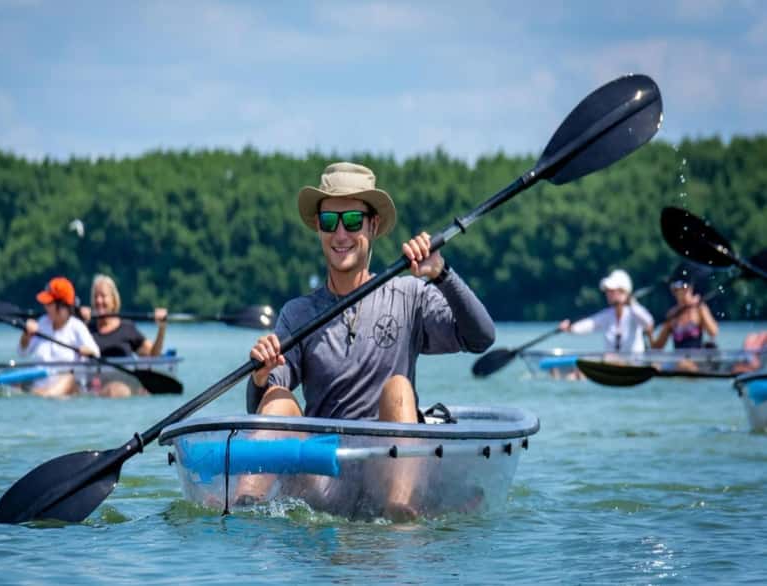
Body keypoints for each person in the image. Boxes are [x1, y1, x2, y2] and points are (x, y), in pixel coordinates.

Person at [242, 161, 495, 519]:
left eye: (353, 221)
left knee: (398, 388)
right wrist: (260, 376)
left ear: (373, 226)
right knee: (280, 399)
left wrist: (442, 274)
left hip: (386, 477)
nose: (340, 234)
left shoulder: (410, 295)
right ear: (318, 227)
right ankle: (240, 510)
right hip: (322, 484)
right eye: (330, 221)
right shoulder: (297, 313)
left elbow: (481, 337)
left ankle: (400, 517)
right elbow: (265, 406)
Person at [79, 274, 169, 397]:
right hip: (96, 387)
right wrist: (81, 322)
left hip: (123, 386)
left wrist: (161, 328)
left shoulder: (127, 328)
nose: (99, 301)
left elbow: (154, 355)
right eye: (96, 297)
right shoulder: (85, 329)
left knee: (115, 390)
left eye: (103, 296)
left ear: (113, 300)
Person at [18, 276, 100, 398]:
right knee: (15, 384)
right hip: (40, 385)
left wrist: (87, 351)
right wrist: (26, 334)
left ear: (63, 307)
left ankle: (41, 394)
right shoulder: (42, 323)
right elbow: (22, 352)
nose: (45, 307)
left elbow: (96, 354)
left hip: (68, 388)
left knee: (69, 378)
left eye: (49, 303)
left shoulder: (77, 327)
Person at [558, 269, 654, 353]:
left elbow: (648, 323)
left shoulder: (635, 312)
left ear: (623, 292)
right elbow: (589, 324)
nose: (608, 294)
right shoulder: (607, 315)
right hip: (613, 366)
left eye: (612, 291)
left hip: (634, 365)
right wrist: (570, 328)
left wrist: (632, 303)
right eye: (607, 291)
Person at [650, 262, 719, 350]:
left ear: (691, 289)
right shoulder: (673, 314)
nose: (683, 294)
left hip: (696, 360)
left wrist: (701, 307)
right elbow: (657, 347)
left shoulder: (699, 308)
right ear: (674, 292)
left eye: (685, 289)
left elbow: (713, 332)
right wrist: (650, 333)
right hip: (678, 361)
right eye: (678, 290)